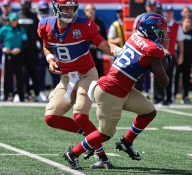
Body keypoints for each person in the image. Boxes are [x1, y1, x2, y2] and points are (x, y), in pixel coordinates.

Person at [63, 13, 171, 170]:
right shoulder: (153, 50)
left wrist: (156, 61)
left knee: (149, 112)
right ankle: (73, 153)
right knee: (105, 133)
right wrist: (165, 63)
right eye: (161, 32)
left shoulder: (135, 37)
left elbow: (143, 58)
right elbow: (164, 82)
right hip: (110, 92)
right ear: (151, 31)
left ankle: (126, 142)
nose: (163, 36)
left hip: (122, 89)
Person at [37, 0, 120, 170]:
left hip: (86, 74)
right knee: (51, 117)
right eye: (65, 8)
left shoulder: (84, 24)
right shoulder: (45, 26)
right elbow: (47, 47)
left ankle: (102, 157)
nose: (69, 12)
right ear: (56, 8)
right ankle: (90, 137)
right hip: (66, 78)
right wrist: (50, 59)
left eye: (72, 8)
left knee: (80, 114)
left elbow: (104, 45)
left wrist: (121, 52)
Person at [18, 0, 43, 102]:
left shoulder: (34, 17)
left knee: (34, 72)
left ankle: (37, 93)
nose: (24, 7)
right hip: (20, 50)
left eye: (26, 5)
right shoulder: (17, 16)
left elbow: (39, 34)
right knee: (20, 73)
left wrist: (43, 47)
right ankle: (20, 94)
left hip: (32, 49)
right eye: (23, 5)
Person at [0, 12, 28, 102]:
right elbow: (0, 42)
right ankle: (5, 95)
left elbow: (25, 42)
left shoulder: (21, 29)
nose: (14, 22)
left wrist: (19, 49)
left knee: (20, 76)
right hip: (8, 55)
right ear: (9, 20)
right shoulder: (4, 29)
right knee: (6, 76)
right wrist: (3, 48)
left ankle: (21, 96)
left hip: (18, 55)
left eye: (15, 20)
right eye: (12, 20)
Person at [84, 3, 107, 77]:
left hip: (98, 49)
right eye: (88, 10)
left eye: (92, 9)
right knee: (87, 72)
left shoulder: (100, 22)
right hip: (86, 51)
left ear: (95, 11)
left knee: (99, 70)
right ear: (84, 12)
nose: (90, 11)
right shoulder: (82, 23)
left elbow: (104, 37)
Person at [175, 16, 192, 104]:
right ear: (183, 22)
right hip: (178, 58)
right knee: (175, 77)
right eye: (187, 21)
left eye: (190, 21)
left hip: (188, 59)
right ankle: (172, 95)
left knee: (186, 78)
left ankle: (185, 96)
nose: (188, 23)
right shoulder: (179, 31)